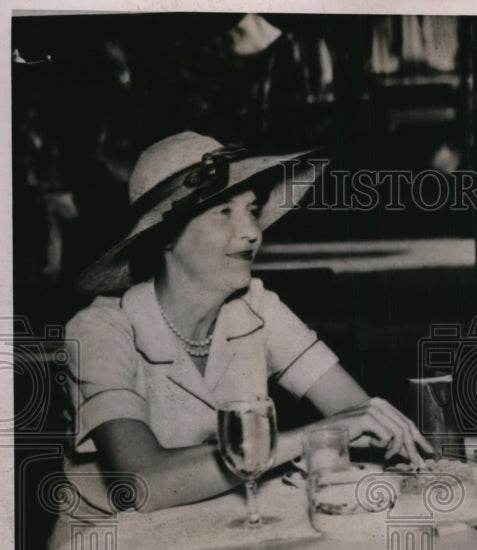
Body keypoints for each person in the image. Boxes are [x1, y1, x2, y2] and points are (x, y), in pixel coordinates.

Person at [60, 131, 433, 519]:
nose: (252, 232)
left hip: (212, 537)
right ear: (165, 236)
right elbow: (144, 483)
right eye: (224, 212)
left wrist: (374, 428)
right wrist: (314, 436)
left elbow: (356, 412)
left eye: (252, 211)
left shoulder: (257, 307)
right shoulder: (99, 330)